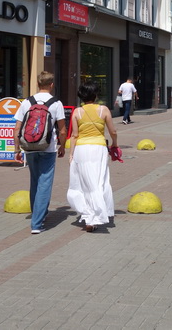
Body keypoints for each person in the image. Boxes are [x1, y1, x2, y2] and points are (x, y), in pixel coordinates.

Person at [13, 71, 67, 235]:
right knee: (45, 183)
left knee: (35, 181)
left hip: (29, 147)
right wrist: (62, 146)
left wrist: (17, 149)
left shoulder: (27, 102)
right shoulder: (56, 103)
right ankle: (37, 223)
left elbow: (16, 129)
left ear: (37, 84)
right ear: (51, 85)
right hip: (48, 147)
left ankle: (39, 214)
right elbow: (62, 130)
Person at [66, 80, 117, 233]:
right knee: (99, 181)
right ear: (95, 95)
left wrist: (71, 154)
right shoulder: (104, 110)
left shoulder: (77, 112)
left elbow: (74, 135)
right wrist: (115, 144)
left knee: (83, 183)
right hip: (98, 149)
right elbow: (113, 131)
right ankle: (95, 216)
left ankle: (88, 216)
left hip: (81, 149)